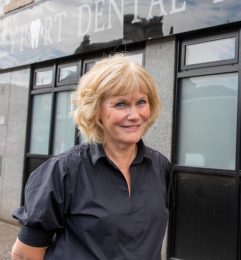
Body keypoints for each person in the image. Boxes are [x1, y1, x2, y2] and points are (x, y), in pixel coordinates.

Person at [11, 54, 171, 260]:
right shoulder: (63, 171)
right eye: (120, 104)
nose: (134, 115)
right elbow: (25, 254)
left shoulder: (160, 167)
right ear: (96, 111)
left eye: (141, 102)